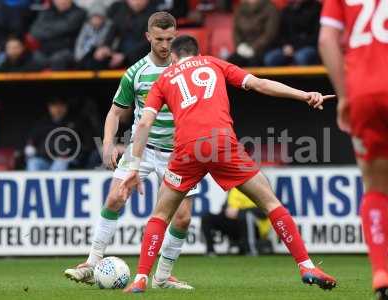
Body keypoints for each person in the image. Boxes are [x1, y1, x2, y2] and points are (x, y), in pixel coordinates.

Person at [120, 35, 337, 293]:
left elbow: (144, 123)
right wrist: (305, 95)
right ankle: (306, 266)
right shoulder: (213, 63)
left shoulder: (164, 78)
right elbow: (260, 84)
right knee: (270, 202)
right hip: (221, 142)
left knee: (160, 214)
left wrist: (133, 167)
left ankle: (141, 278)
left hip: (187, 149)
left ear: (174, 58)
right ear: (197, 54)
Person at [64, 12, 197, 290]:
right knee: (115, 197)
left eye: (170, 39)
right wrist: (109, 143)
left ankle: (162, 277)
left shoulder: (186, 70)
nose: (165, 45)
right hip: (143, 149)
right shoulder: (135, 72)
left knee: (183, 217)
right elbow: (115, 112)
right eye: (159, 39)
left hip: (179, 153)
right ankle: (91, 262)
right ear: (148, 37)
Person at [318, 1, 388, 299]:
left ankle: (381, 271)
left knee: (375, 186)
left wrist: (345, 97)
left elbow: (325, 39)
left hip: (363, 95)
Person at [201, 187, 271, 256]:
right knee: (207, 218)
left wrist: (239, 212)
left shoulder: (259, 188)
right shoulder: (233, 188)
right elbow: (225, 207)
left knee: (245, 216)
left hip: (256, 227)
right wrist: (226, 211)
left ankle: (250, 250)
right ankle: (210, 251)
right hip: (235, 223)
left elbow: (264, 212)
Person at [29, 0, 86, 70]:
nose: (62, 2)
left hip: (68, 49)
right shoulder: (46, 12)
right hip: (45, 50)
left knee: (58, 59)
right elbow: (34, 31)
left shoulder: (79, 12)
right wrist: (55, 31)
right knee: (35, 57)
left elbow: (66, 27)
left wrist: (47, 28)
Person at [264, 0, 321, 66]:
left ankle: (305, 76)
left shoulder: (316, 8)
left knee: (301, 57)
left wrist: (295, 47)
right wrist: (285, 46)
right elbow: (281, 34)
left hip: (309, 47)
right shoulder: (287, 10)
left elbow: (316, 37)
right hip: (288, 48)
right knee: (270, 58)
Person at [228, 0, 279, 67]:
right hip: (243, 48)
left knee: (254, 63)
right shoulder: (240, 8)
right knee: (230, 64)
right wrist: (239, 46)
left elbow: (270, 34)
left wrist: (254, 48)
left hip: (263, 49)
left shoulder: (270, 8)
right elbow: (236, 31)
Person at [74, 2, 114, 70]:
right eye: (94, 17)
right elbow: (79, 42)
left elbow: (108, 43)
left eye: (99, 17)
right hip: (84, 56)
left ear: (104, 18)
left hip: (99, 56)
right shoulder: (86, 27)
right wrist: (79, 56)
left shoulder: (108, 27)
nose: (96, 20)